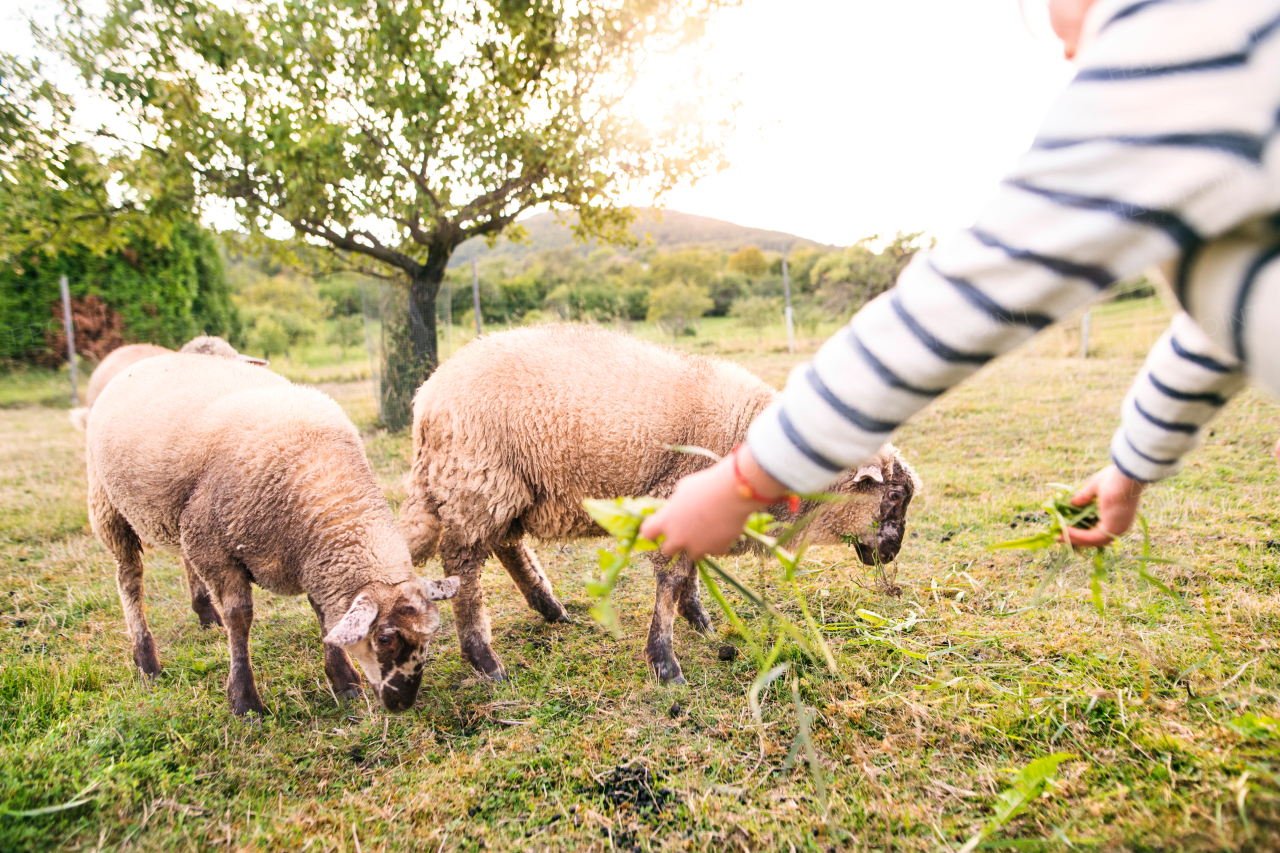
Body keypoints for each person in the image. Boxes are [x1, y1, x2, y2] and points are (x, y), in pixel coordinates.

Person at [641, 0, 1280, 559]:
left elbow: (969, 295)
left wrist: (746, 482)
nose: (1062, 47)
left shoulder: (1178, 33)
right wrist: (1130, 470)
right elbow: (1222, 325)